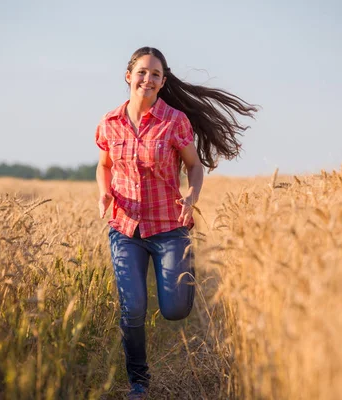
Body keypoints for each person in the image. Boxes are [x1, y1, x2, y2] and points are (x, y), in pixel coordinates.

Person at [95, 46, 258, 399]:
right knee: (133, 308)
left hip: (169, 227)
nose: (148, 79)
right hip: (125, 228)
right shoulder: (110, 122)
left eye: (155, 74)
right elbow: (104, 165)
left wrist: (191, 196)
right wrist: (104, 193)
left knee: (174, 310)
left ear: (163, 81)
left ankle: (184, 276)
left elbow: (195, 166)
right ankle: (139, 382)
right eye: (142, 72)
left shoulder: (174, 121)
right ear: (128, 76)